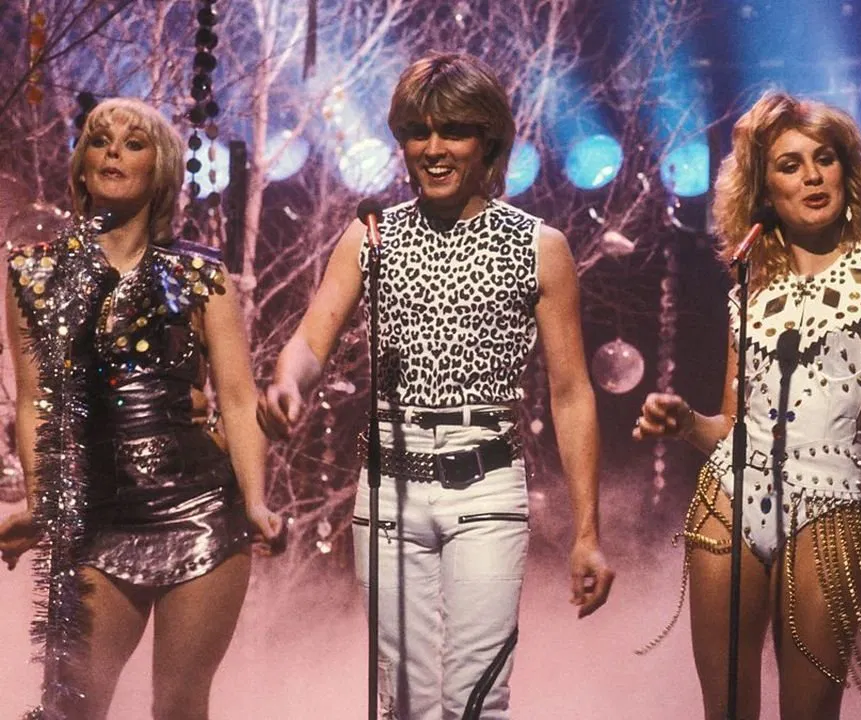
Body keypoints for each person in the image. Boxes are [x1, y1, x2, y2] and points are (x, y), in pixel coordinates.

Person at [256, 51, 614, 719]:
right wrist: (287, 383)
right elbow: (308, 343)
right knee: (404, 700)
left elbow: (572, 393)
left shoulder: (539, 246)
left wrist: (587, 532)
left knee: (477, 695)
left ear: (489, 140)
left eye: (453, 131)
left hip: (486, 483)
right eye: (418, 132)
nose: (434, 148)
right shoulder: (372, 237)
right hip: (389, 486)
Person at [633, 91, 861, 720]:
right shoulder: (750, 290)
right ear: (765, 189)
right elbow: (731, 426)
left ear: (848, 171)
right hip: (729, 496)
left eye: (825, 159)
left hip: (831, 505)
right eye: (790, 165)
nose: (812, 177)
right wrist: (684, 424)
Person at [0, 97, 282, 720]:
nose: (113, 153)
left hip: (202, 513)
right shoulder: (33, 273)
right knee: (71, 704)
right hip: (96, 518)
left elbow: (238, 399)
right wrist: (46, 506)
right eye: (100, 141)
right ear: (81, 165)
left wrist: (257, 502)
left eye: (133, 143)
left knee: (178, 705)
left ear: (161, 170)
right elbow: (36, 402)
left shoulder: (199, 273)